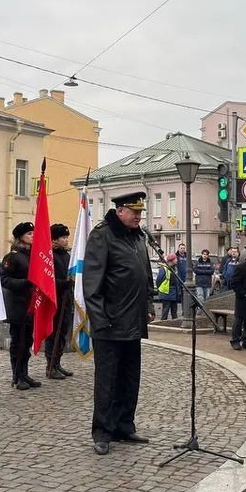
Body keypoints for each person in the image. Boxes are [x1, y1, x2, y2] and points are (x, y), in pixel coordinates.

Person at [84, 191, 156, 456]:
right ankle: (102, 432)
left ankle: (124, 425)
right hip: (110, 324)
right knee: (107, 381)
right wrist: (101, 321)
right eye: (134, 212)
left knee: (129, 378)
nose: (139, 216)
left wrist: (148, 305)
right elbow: (92, 284)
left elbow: (145, 275)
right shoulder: (103, 235)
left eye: (140, 212)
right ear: (120, 211)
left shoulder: (138, 237)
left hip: (133, 322)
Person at [1, 221, 41, 391]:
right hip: (18, 306)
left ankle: (24, 373)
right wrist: (25, 283)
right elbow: (5, 280)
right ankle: (17, 376)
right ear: (20, 237)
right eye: (29, 234)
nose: (33, 236)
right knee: (18, 343)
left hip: (31, 305)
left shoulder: (32, 255)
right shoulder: (13, 256)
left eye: (33, 233)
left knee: (27, 341)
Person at [45, 223, 75, 381]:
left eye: (67, 237)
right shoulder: (49, 255)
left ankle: (57, 362)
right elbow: (47, 279)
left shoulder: (66, 255)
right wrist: (63, 283)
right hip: (54, 299)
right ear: (54, 240)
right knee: (53, 333)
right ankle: (50, 365)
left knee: (63, 332)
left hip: (66, 298)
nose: (66, 240)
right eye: (63, 237)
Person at [155, 253, 181, 320]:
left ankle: (175, 325)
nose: (177, 260)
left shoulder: (174, 268)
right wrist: (160, 289)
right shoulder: (164, 269)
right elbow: (158, 280)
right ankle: (163, 324)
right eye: (175, 259)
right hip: (166, 293)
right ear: (172, 260)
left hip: (173, 292)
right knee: (165, 311)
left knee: (174, 312)